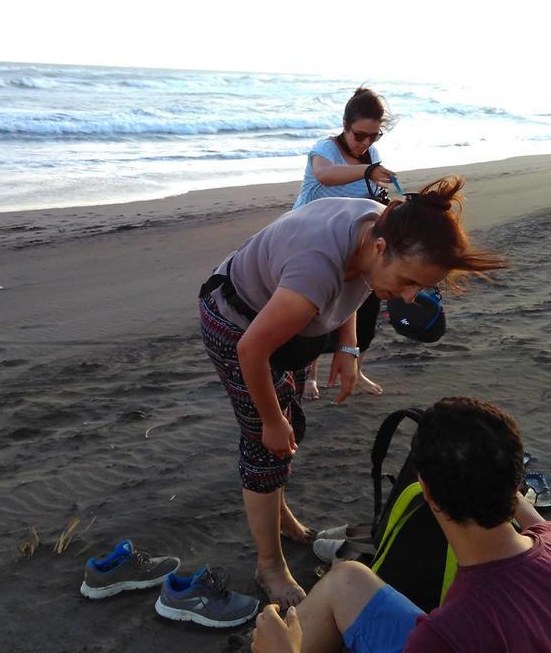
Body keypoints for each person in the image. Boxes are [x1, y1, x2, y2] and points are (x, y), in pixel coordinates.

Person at [199, 178, 506, 611]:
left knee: (290, 426)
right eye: (407, 281)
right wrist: (269, 420)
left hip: (276, 319)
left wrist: (347, 347)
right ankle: (269, 564)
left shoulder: (379, 225)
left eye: (419, 288)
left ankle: (280, 517)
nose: (407, 296)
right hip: (235, 324)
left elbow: (359, 281)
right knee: (266, 442)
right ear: (381, 249)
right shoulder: (316, 266)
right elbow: (252, 348)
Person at [250, 397, 551, 653]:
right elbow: (525, 512)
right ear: (516, 482)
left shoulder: (447, 634)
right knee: (347, 578)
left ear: (426, 492)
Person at [292, 87, 398, 399]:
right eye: (359, 135)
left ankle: (355, 365)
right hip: (310, 237)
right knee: (313, 311)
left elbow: (366, 199)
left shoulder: (371, 157)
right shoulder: (324, 149)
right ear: (344, 125)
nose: (365, 143)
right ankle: (309, 374)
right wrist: (367, 170)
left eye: (373, 137)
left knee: (363, 307)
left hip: (350, 241)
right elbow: (326, 176)